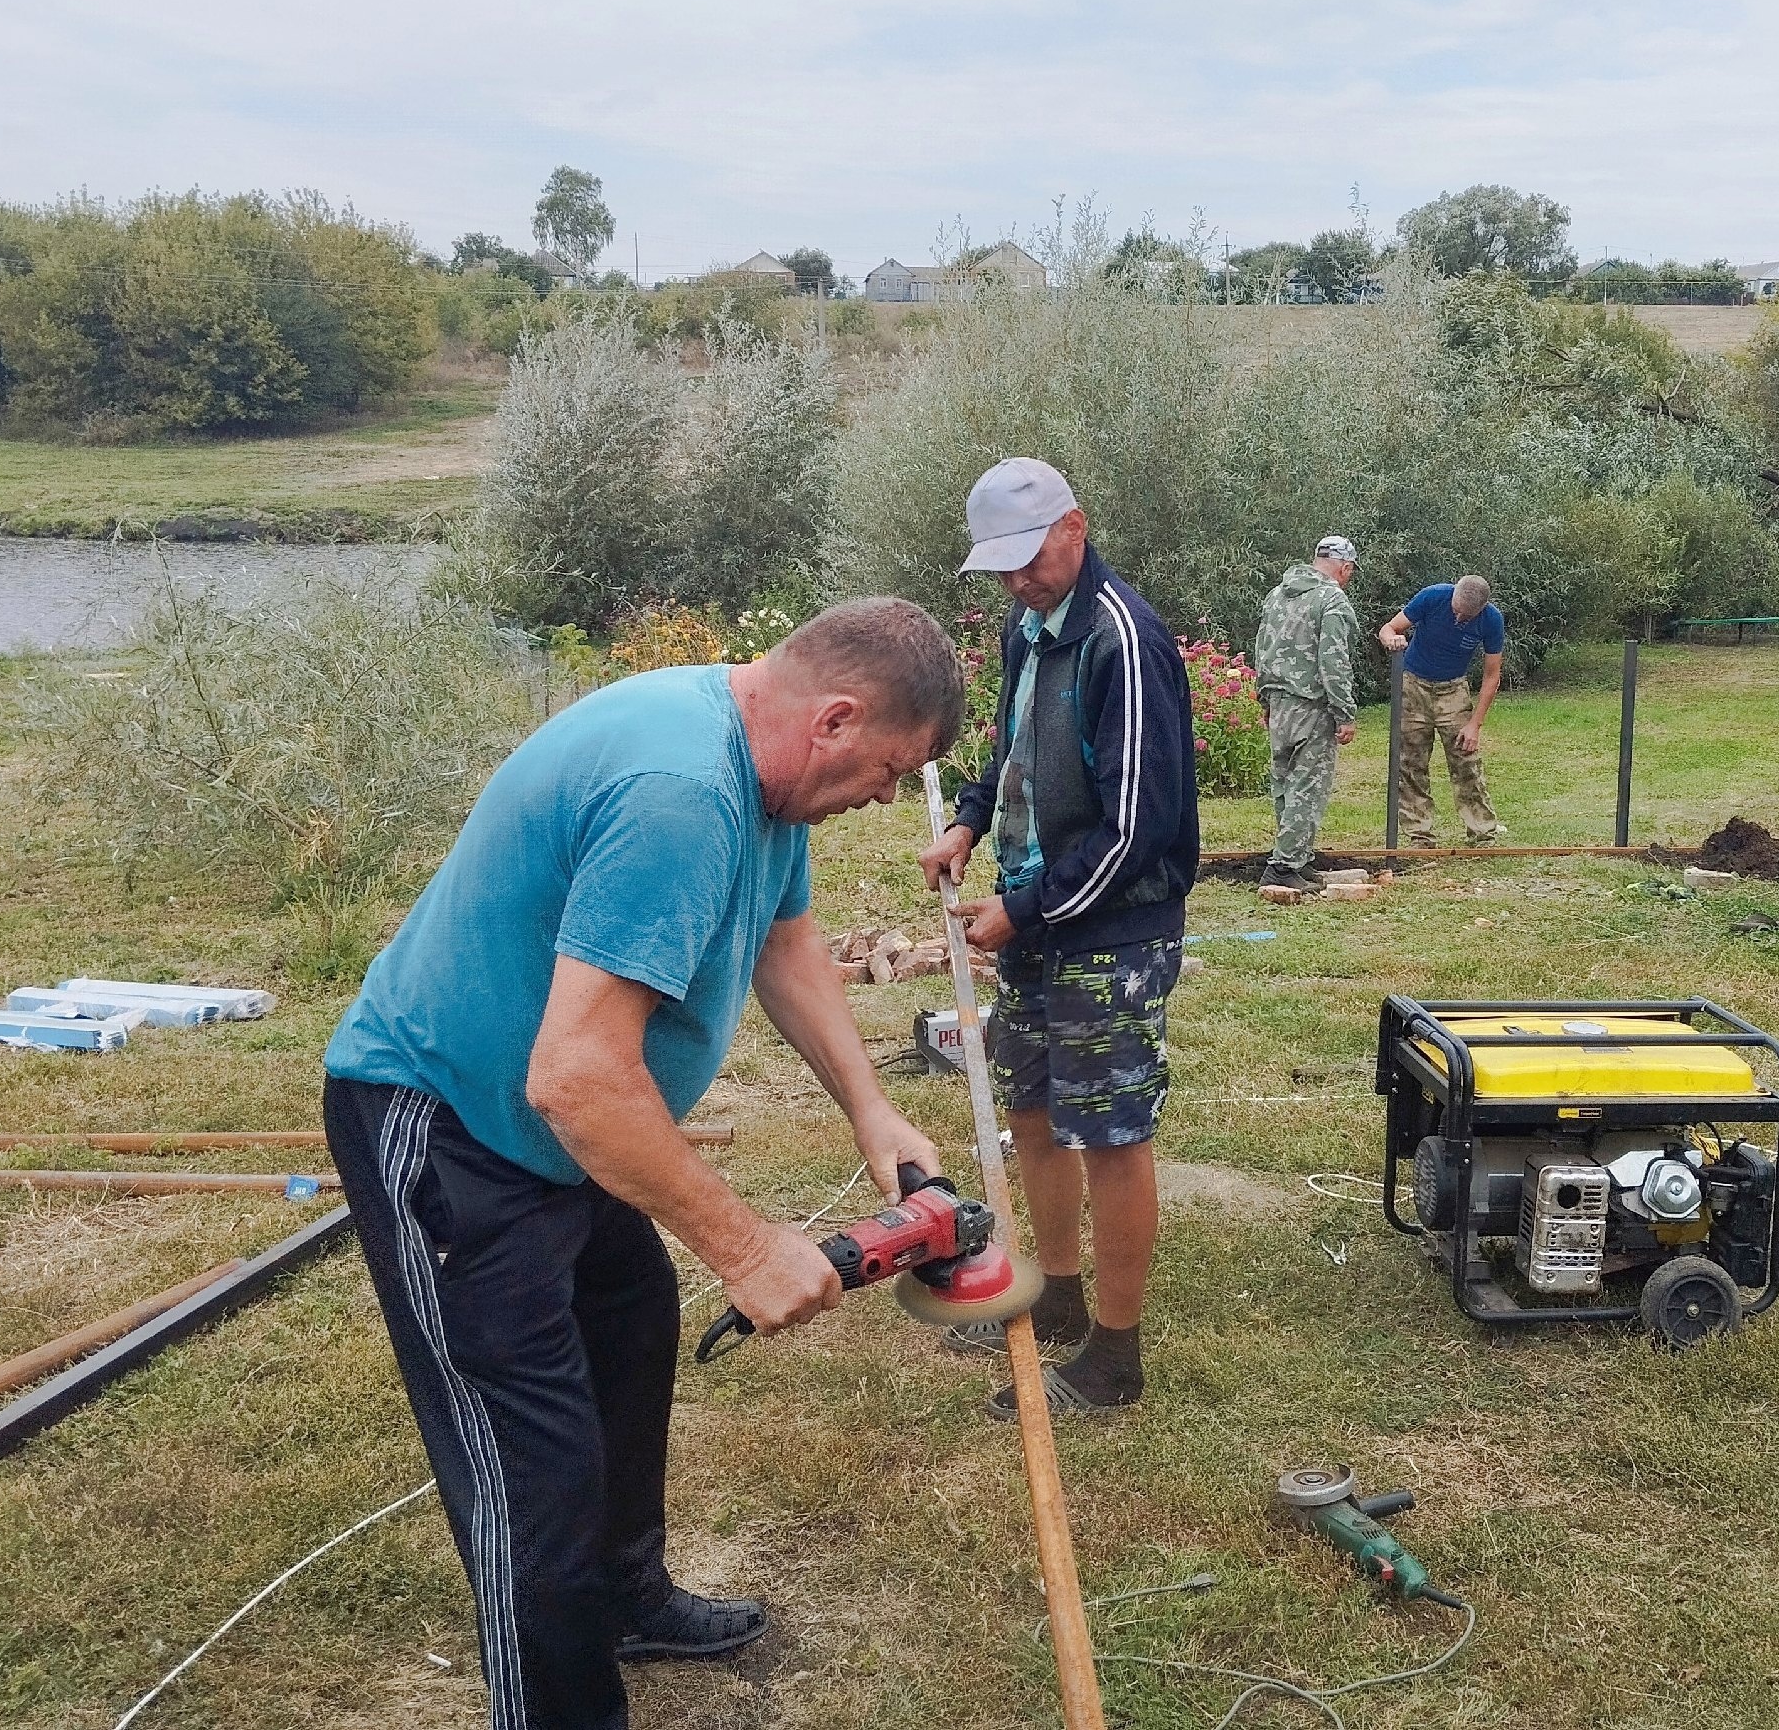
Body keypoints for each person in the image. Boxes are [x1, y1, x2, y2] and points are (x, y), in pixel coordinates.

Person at [322, 598, 963, 1730]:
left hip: (560, 1130)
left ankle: (625, 1600)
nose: (878, 796)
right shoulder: (681, 792)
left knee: (627, 1328)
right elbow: (574, 1077)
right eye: (886, 768)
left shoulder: (765, 765)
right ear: (836, 717)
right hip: (450, 1121)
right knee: (536, 1471)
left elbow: (784, 937)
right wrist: (747, 1246)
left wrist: (872, 1111)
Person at [919, 457, 1199, 1419]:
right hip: (1037, 913)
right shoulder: (1026, 627)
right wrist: (966, 819)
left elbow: (1138, 825)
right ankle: (1057, 1297)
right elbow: (1010, 751)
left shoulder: (1127, 641)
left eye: (1027, 558)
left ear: (1074, 528)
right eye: (997, 566)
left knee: (1112, 1133)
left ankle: (1115, 1359)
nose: (1015, 580)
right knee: (1034, 1115)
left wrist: (1026, 910)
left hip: (1111, 929)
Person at [1252, 533, 1360, 894]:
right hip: (1311, 704)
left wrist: (1265, 699)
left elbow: (1261, 648)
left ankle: (1297, 858)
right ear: (1344, 568)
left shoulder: (1277, 594)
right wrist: (1344, 712)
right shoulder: (1332, 599)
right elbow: (1334, 661)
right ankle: (1284, 867)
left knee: (1284, 784)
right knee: (1307, 785)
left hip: (1279, 702)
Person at [1378, 573, 1506, 847]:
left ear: (1482, 610)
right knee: (1410, 763)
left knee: (1466, 761)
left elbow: (1492, 675)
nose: (1460, 619)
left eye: (1467, 617)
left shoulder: (1492, 620)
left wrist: (1475, 724)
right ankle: (1420, 836)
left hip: (1453, 691)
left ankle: (1482, 834)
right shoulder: (1433, 596)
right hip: (1413, 686)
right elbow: (1388, 628)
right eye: (1456, 612)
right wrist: (1392, 639)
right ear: (1452, 597)